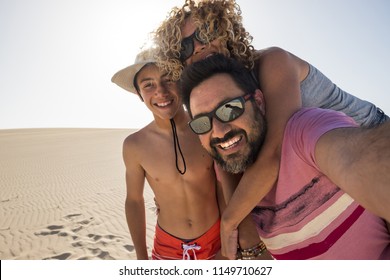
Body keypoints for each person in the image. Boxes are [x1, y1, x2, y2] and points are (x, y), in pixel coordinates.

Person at [152, 0, 389, 258]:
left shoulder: (271, 62)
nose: (199, 46)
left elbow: (275, 150)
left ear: (223, 29)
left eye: (206, 32)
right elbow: (225, 161)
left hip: (371, 136)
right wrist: (242, 225)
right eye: (186, 45)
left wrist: (231, 220)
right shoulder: (214, 97)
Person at [179, 53, 390, 259]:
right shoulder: (228, 168)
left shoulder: (303, 131)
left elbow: (360, 158)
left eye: (230, 109)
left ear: (259, 102)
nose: (219, 131)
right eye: (202, 123)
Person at [111, 48, 271, 260]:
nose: (161, 91)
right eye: (148, 85)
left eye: (168, 79)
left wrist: (228, 240)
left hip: (216, 240)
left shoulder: (207, 130)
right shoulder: (134, 145)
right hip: (167, 247)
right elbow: (134, 201)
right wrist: (141, 258)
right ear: (140, 94)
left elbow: (224, 185)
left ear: (181, 83)